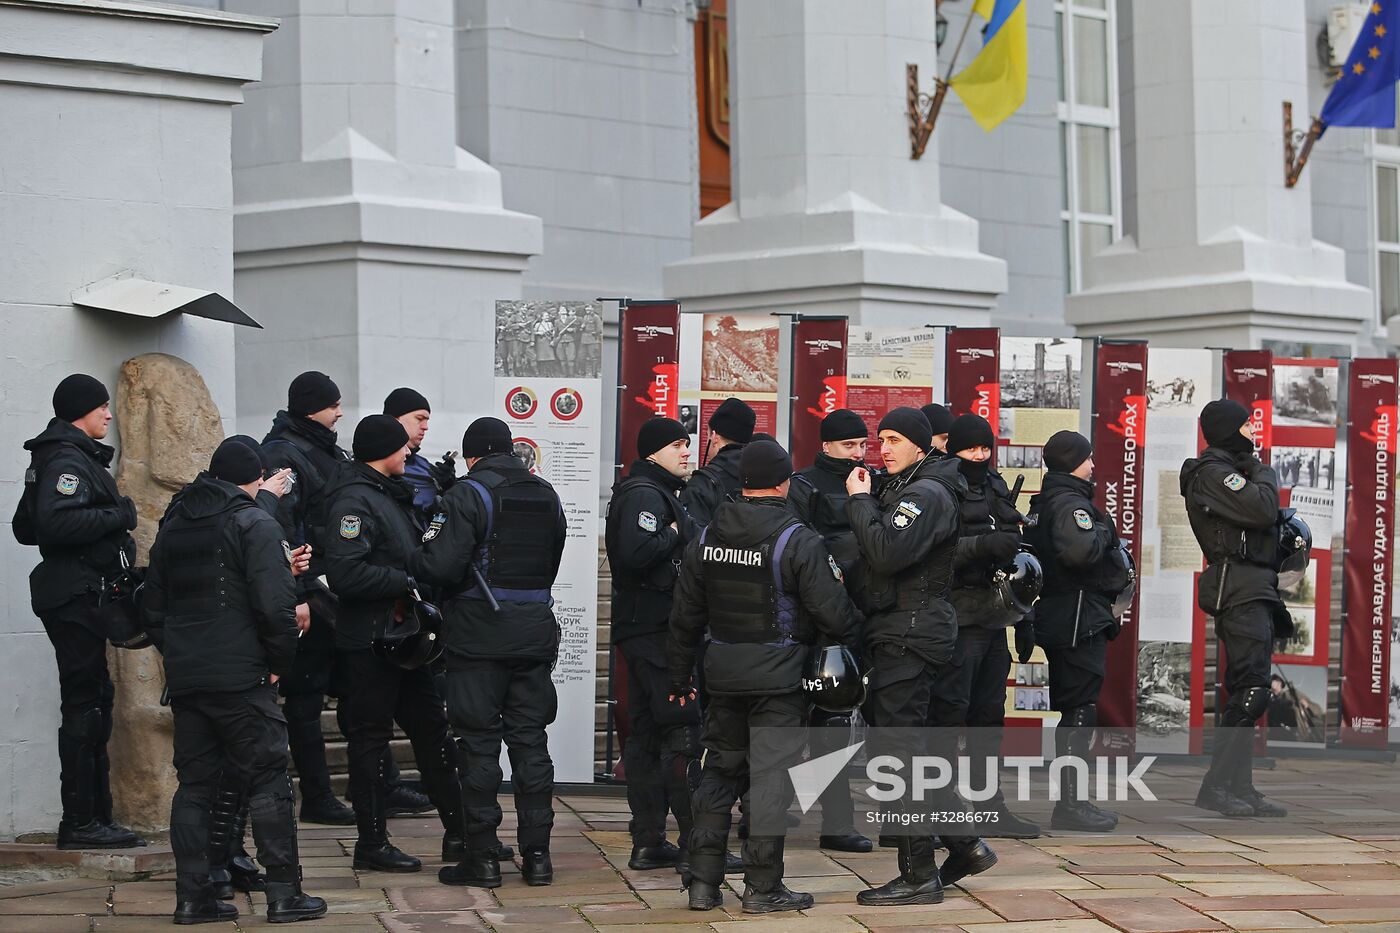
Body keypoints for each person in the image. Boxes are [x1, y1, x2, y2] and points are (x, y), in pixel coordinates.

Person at [668, 440, 861, 914]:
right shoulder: (799, 540)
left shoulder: (708, 536)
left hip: (723, 675)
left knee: (717, 773)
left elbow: (685, 617)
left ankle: (703, 885)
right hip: (779, 679)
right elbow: (836, 617)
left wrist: (678, 676)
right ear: (784, 482)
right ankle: (763, 888)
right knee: (769, 781)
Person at [143, 439, 326, 924]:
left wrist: (184, 656)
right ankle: (285, 894)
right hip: (242, 676)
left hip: (190, 677)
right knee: (268, 777)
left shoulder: (175, 523)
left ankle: (192, 898)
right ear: (255, 479)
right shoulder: (254, 522)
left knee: (195, 786)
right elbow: (275, 605)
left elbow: (154, 609)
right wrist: (277, 662)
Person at [845, 407, 998, 906]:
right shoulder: (913, 485)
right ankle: (964, 844)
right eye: (880, 438)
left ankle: (917, 874)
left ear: (920, 445)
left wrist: (861, 502)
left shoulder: (926, 492)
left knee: (898, 757)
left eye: (892, 439)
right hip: (905, 629)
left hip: (910, 632)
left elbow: (887, 552)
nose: (882, 448)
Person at [409, 417, 568, 888]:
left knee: (477, 744)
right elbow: (552, 560)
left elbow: (438, 563)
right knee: (531, 743)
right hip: (534, 634)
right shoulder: (547, 495)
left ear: (472, 455)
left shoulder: (467, 494)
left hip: (478, 639)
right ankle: (538, 857)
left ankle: (482, 860)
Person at [322, 415, 467, 873]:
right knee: (369, 741)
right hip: (371, 642)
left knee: (432, 732)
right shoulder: (353, 500)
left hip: (403, 641)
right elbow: (345, 574)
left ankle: (461, 834)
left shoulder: (387, 495)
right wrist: (407, 579)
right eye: (403, 446)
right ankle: (371, 842)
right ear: (383, 449)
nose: (410, 453)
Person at [13, 375, 145, 850]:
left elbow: (24, 525)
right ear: (80, 411)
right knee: (86, 703)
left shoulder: (59, 455)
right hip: (75, 594)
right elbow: (52, 522)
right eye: (102, 407)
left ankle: (97, 817)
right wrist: (120, 516)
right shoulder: (67, 459)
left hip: (77, 591)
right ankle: (82, 821)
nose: (109, 415)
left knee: (94, 699)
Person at [929, 415, 1039, 838]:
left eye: (985, 449)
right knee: (947, 717)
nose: (979, 456)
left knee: (989, 719)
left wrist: (1025, 617)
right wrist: (982, 545)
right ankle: (939, 811)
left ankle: (991, 809)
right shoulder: (939, 488)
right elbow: (932, 552)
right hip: (956, 616)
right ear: (953, 449)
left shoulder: (993, 485)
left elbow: (1014, 549)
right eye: (971, 449)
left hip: (994, 618)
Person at [604, 418, 704, 872]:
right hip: (656, 632)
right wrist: (679, 532)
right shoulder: (646, 494)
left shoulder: (656, 492)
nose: (687, 452)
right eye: (678, 445)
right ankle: (696, 843)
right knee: (681, 731)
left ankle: (649, 841)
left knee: (644, 736)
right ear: (652, 453)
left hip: (645, 629)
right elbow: (637, 552)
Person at [1180, 400, 1288, 818]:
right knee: (1252, 690)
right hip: (1237, 586)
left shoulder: (1234, 471)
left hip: (1255, 586)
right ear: (1228, 429)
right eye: (1246, 425)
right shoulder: (1212, 474)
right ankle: (1215, 787)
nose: (1252, 432)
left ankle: (1240, 786)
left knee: (1251, 685)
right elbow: (1262, 509)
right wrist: (1262, 469)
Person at [260, 371, 356, 826]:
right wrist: (297, 592)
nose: (340, 411)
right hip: (309, 592)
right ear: (311, 406)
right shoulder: (285, 452)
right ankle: (316, 795)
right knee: (304, 697)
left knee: (325, 690)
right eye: (334, 404)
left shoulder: (318, 447)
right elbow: (280, 529)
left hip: (329, 588)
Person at [1024, 430, 1128, 832]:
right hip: (1077, 617)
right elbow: (1080, 551)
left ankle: (1072, 801)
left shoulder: (1048, 500)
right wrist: (1106, 529)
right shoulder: (1071, 504)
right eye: (1087, 458)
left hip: (1066, 615)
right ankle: (1071, 804)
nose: (1092, 466)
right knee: (1080, 708)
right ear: (1073, 462)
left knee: (1077, 706)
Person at [787, 409, 874, 854]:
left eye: (862, 445)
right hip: (813, 618)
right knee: (791, 724)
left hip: (861, 614)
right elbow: (797, 548)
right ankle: (768, 811)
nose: (858, 454)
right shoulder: (804, 485)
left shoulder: (870, 480)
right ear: (826, 446)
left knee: (836, 725)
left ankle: (838, 822)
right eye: (848, 446)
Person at [681, 397, 755, 526]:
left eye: (707, 434)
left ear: (714, 437)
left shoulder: (702, 483)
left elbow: (691, 537)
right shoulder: (764, 475)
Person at [384, 387, 456, 519]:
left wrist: (449, 486)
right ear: (395, 419)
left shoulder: (425, 466)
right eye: (419, 418)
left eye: (427, 420)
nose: (425, 426)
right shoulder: (376, 465)